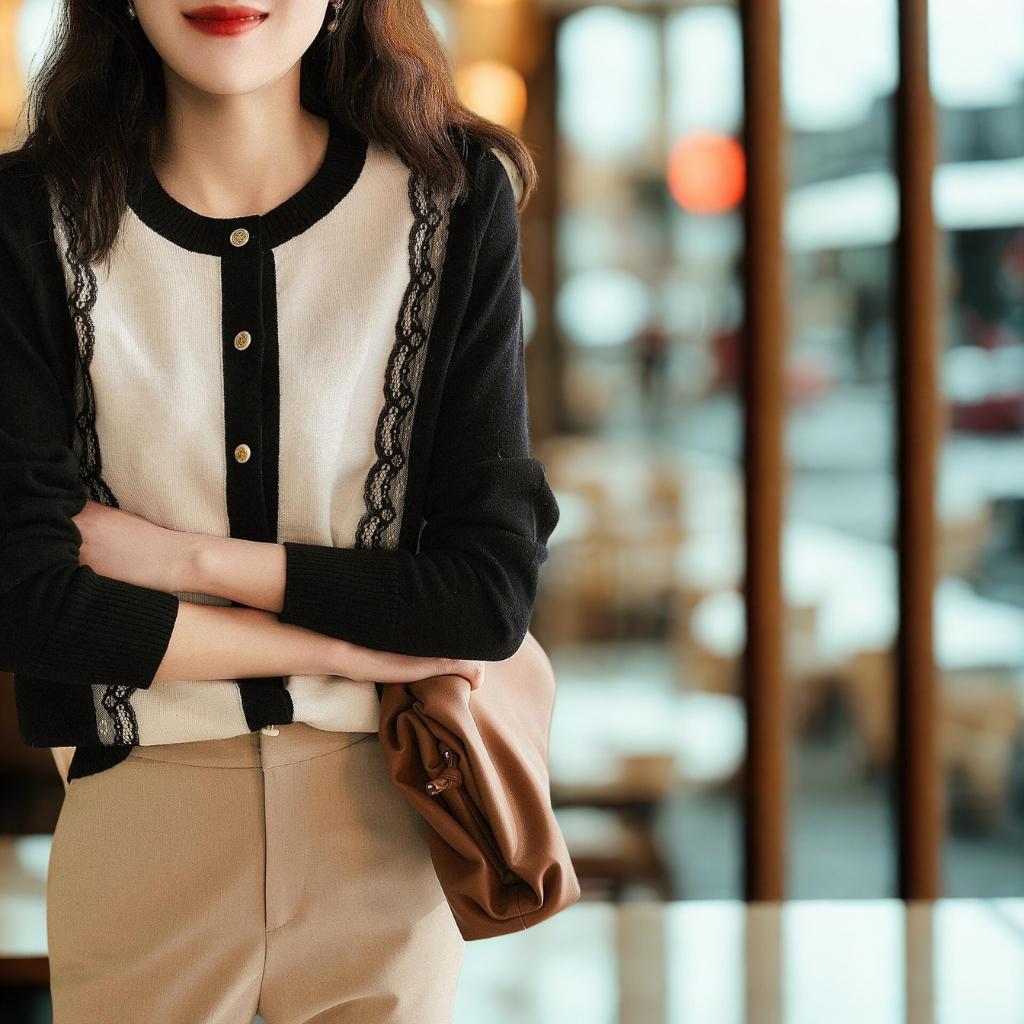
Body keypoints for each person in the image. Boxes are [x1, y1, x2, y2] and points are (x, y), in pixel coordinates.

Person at [0, 0, 559, 1019]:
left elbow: (482, 598)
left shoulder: (452, 199)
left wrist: (188, 562)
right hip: (139, 818)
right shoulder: (23, 220)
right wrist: (355, 646)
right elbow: (29, 602)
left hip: (388, 810)